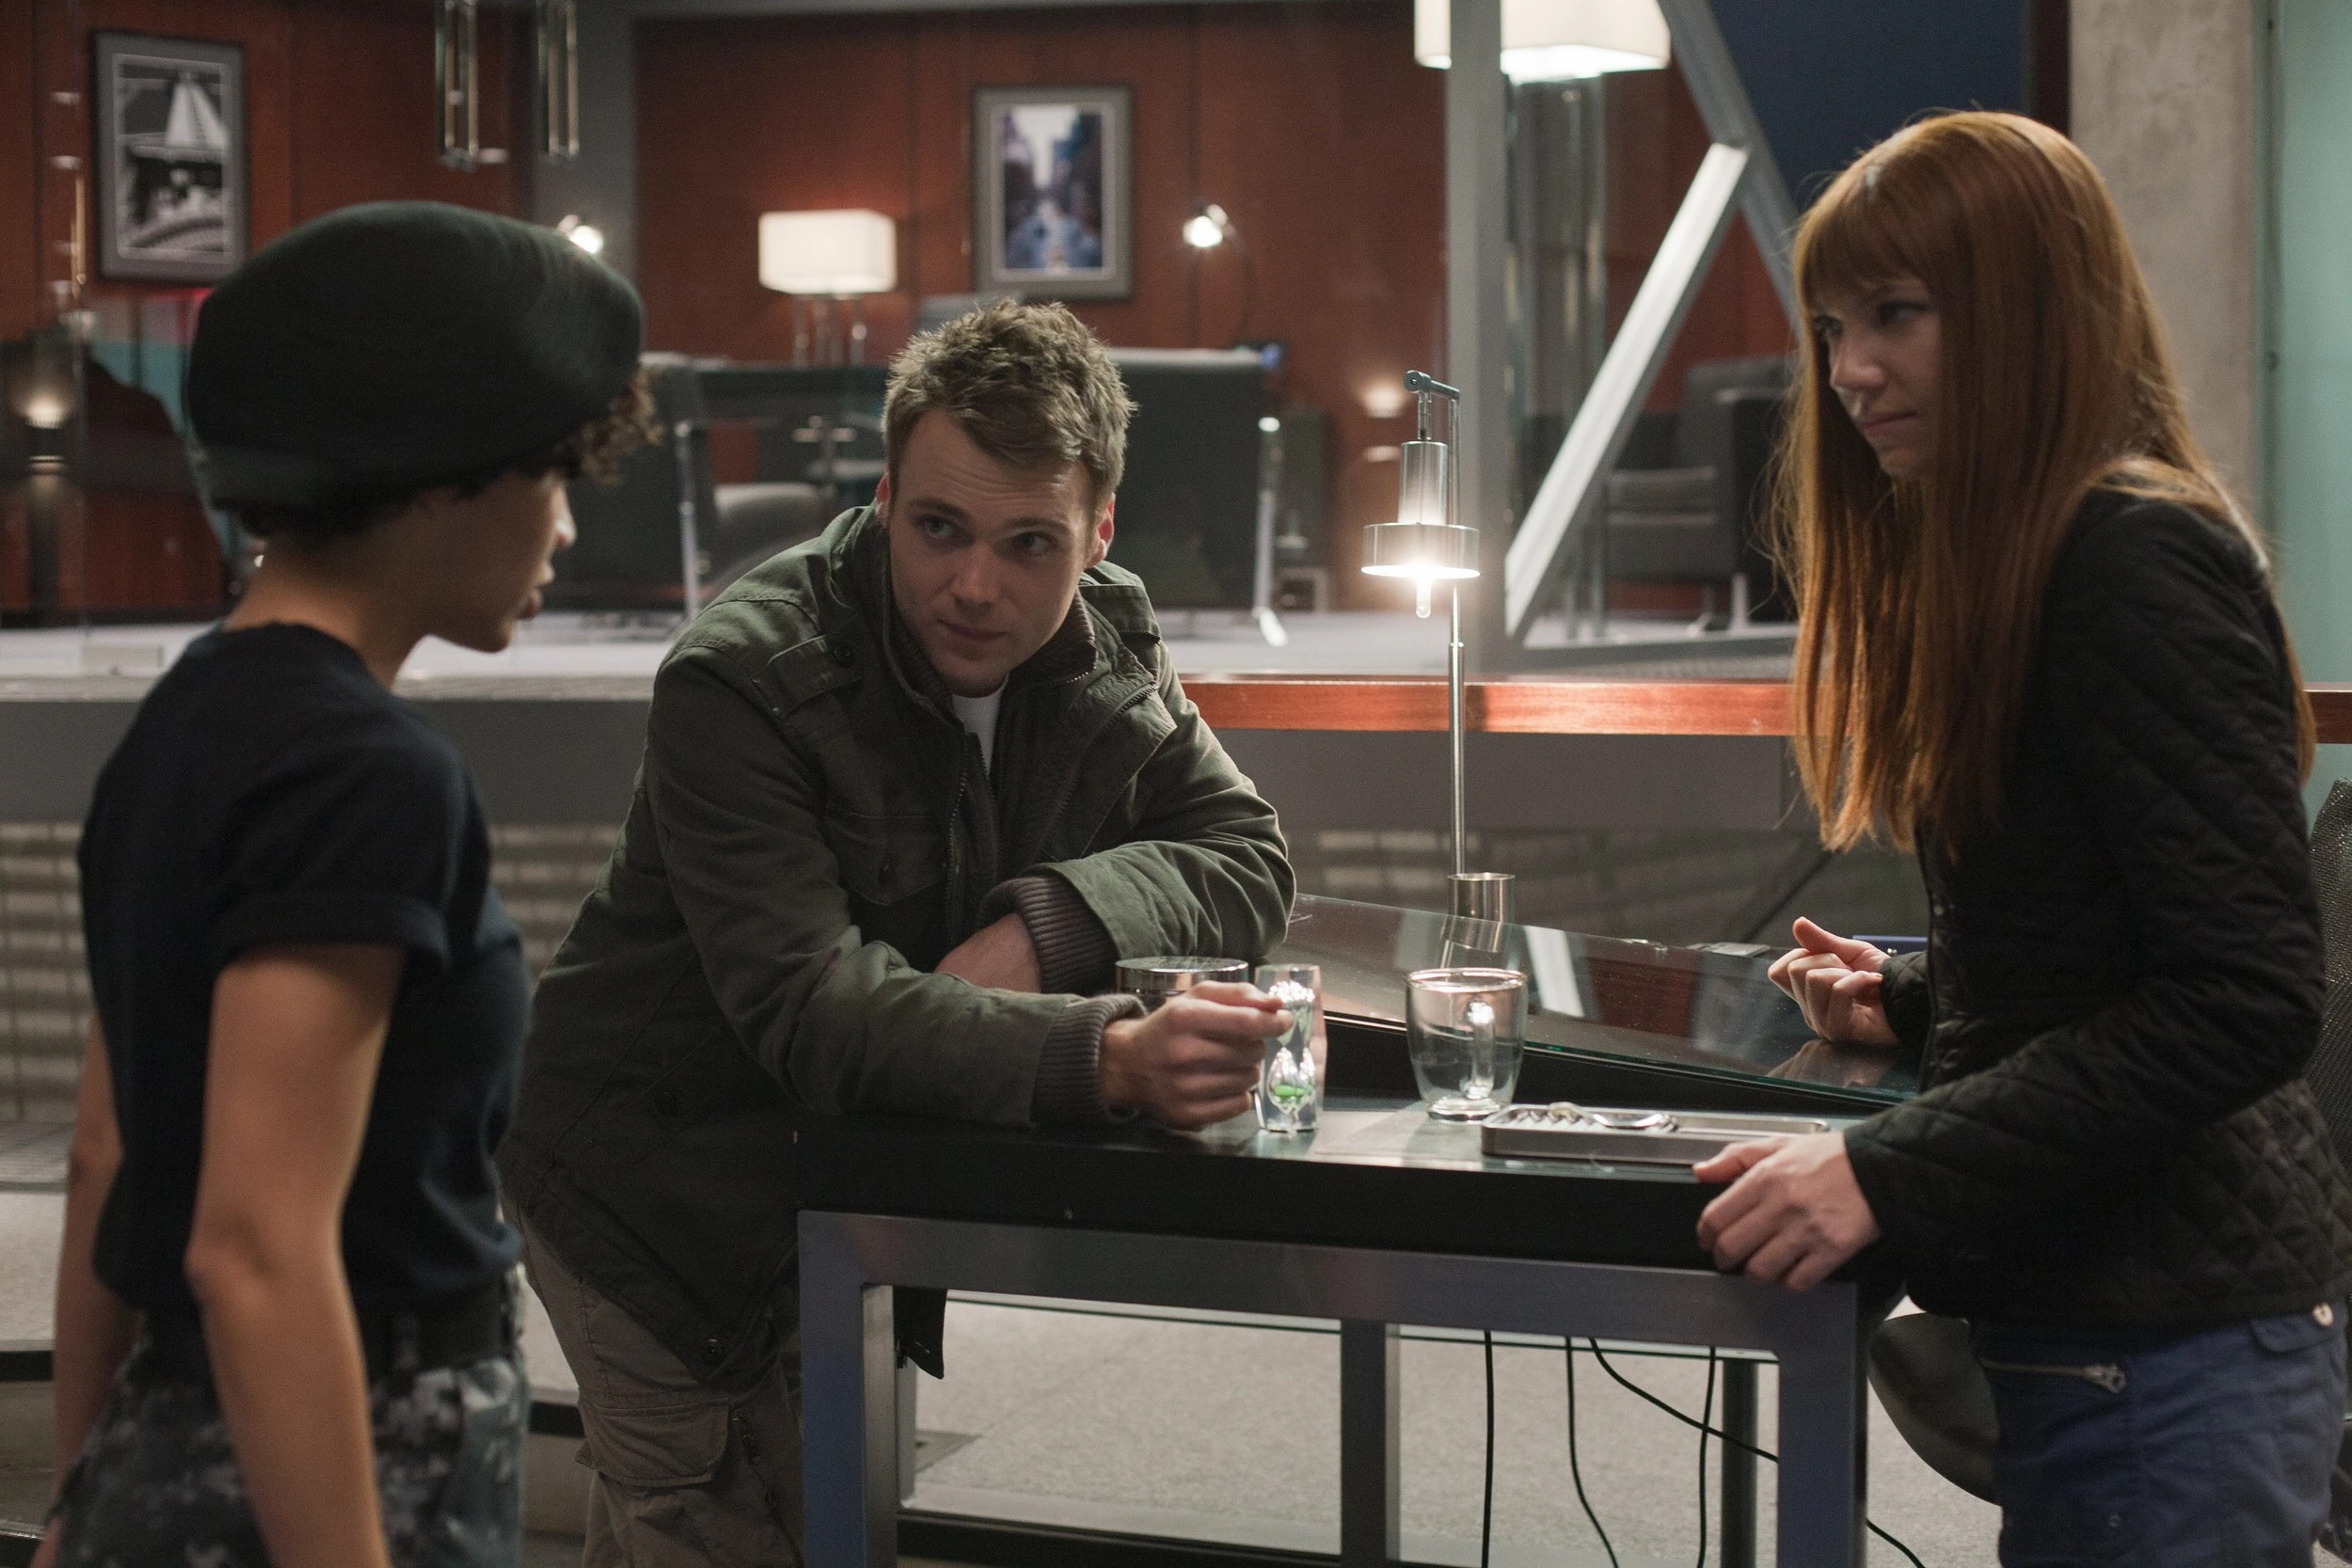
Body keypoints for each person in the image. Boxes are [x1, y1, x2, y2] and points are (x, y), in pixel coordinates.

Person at [499, 300, 1295, 1563]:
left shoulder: (1105, 632)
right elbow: (814, 1011)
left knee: (758, 1522)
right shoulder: (744, 675)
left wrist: (1044, 929)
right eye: (938, 528)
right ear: (882, 498)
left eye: (1029, 543)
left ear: (1096, 534)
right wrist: (1103, 1057)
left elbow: (1245, 854)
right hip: (667, 1189)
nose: (975, 585)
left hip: (855, 1183)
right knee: (744, 1528)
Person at [1691, 112, 2352, 1565]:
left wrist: (1886, 1168)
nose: (1849, 369)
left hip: (2174, 1358)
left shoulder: (2128, 558)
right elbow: (2122, 950)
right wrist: (1918, 998)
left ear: (2030, 312)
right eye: (1834, 326)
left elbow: (2244, 995)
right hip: (2129, 1342)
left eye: (1897, 315)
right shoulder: (2048, 549)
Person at [40, 201, 649, 1567]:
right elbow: (256, 1248)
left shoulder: (183, 725)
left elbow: (109, 1152)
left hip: (167, 1451)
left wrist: (80, 1489)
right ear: (440, 476)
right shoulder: (367, 775)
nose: (564, 525)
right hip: (344, 1455)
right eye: (549, 472)